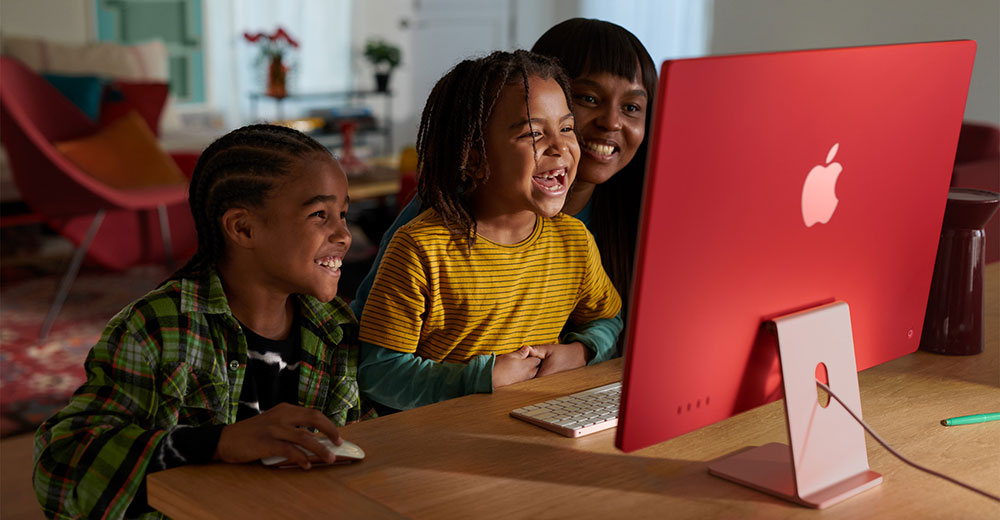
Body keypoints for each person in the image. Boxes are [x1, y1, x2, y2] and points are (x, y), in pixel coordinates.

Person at [33, 125, 368, 518]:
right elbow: (61, 465)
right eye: (319, 215)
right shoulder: (155, 328)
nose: (344, 234)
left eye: (343, 214)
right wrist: (218, 442)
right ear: (243, 228)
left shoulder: (337, 329)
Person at [352, 18, 657, 352]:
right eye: (587, 98)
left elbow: (609, 321)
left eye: (631, 107)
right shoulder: (441, 219)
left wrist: (582, 349)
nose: (612, 122)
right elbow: (373, 342)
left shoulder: (614, 220)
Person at [358, 50, 623, 411]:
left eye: (566, 128)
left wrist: (581, 351)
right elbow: (378, 372)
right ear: (472, 157)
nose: (560, 147)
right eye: (533, 133)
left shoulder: (574, 241)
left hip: (536, 429)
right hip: (434, 446)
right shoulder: (420, 249)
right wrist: (478, 379)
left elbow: (607, 318)